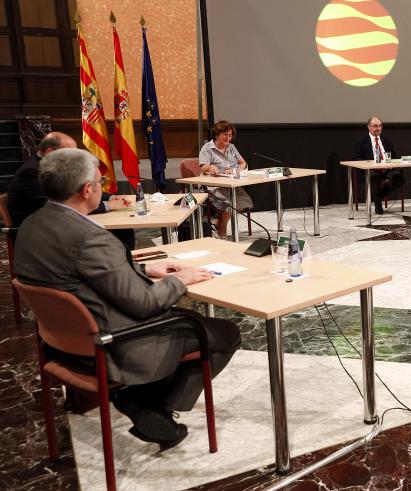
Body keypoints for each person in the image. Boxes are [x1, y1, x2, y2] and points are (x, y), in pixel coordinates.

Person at [14, 148, 242, 450]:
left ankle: (147, 406)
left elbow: (79, 272)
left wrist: (145, 269)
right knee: (224, 333)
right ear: (87, 190)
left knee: (191, 321)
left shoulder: (32, 224)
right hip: (113, 343)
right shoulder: (90, 237)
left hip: (60, 343)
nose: (103, 187)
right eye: (100, 182)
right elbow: (144, 304)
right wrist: (179, 280)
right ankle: (149, 406)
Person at [8, 131, 135, 248]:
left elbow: (80, 187)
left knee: (122, 231)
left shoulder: (54, 167)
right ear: (50, 152)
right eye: (70, 153)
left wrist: (112, 197)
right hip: (40, 234)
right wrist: (109, 205)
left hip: (57, 223)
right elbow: (62, 206)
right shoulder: (32, 172)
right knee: (115, 235)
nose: (75, 158)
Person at [198, 120, 254, 239]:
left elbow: (242, 163)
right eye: (225, 134)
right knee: (229, 204)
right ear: (217, 134)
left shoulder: (231, 147)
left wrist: (235, 170)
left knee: (246, 202)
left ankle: (219, 222)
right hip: (213, 186)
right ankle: (222, 231)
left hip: (230, 184)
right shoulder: (207, 148)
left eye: (230, 135)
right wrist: (212, 168)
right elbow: (203, 167)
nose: (228, 138)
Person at [353, 116, 404, 215]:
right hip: (372, 170)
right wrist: (372, 164)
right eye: (375, 126)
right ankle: (378, 205)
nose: (378, 128)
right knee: (374, 177)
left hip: (387, 169)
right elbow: (356, 158)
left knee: (400, 178)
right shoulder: (362, 141)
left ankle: (377, 197)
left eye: (380, 126)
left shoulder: (386, 140)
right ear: (368, 127)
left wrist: (391, 165)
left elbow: (394, 157)